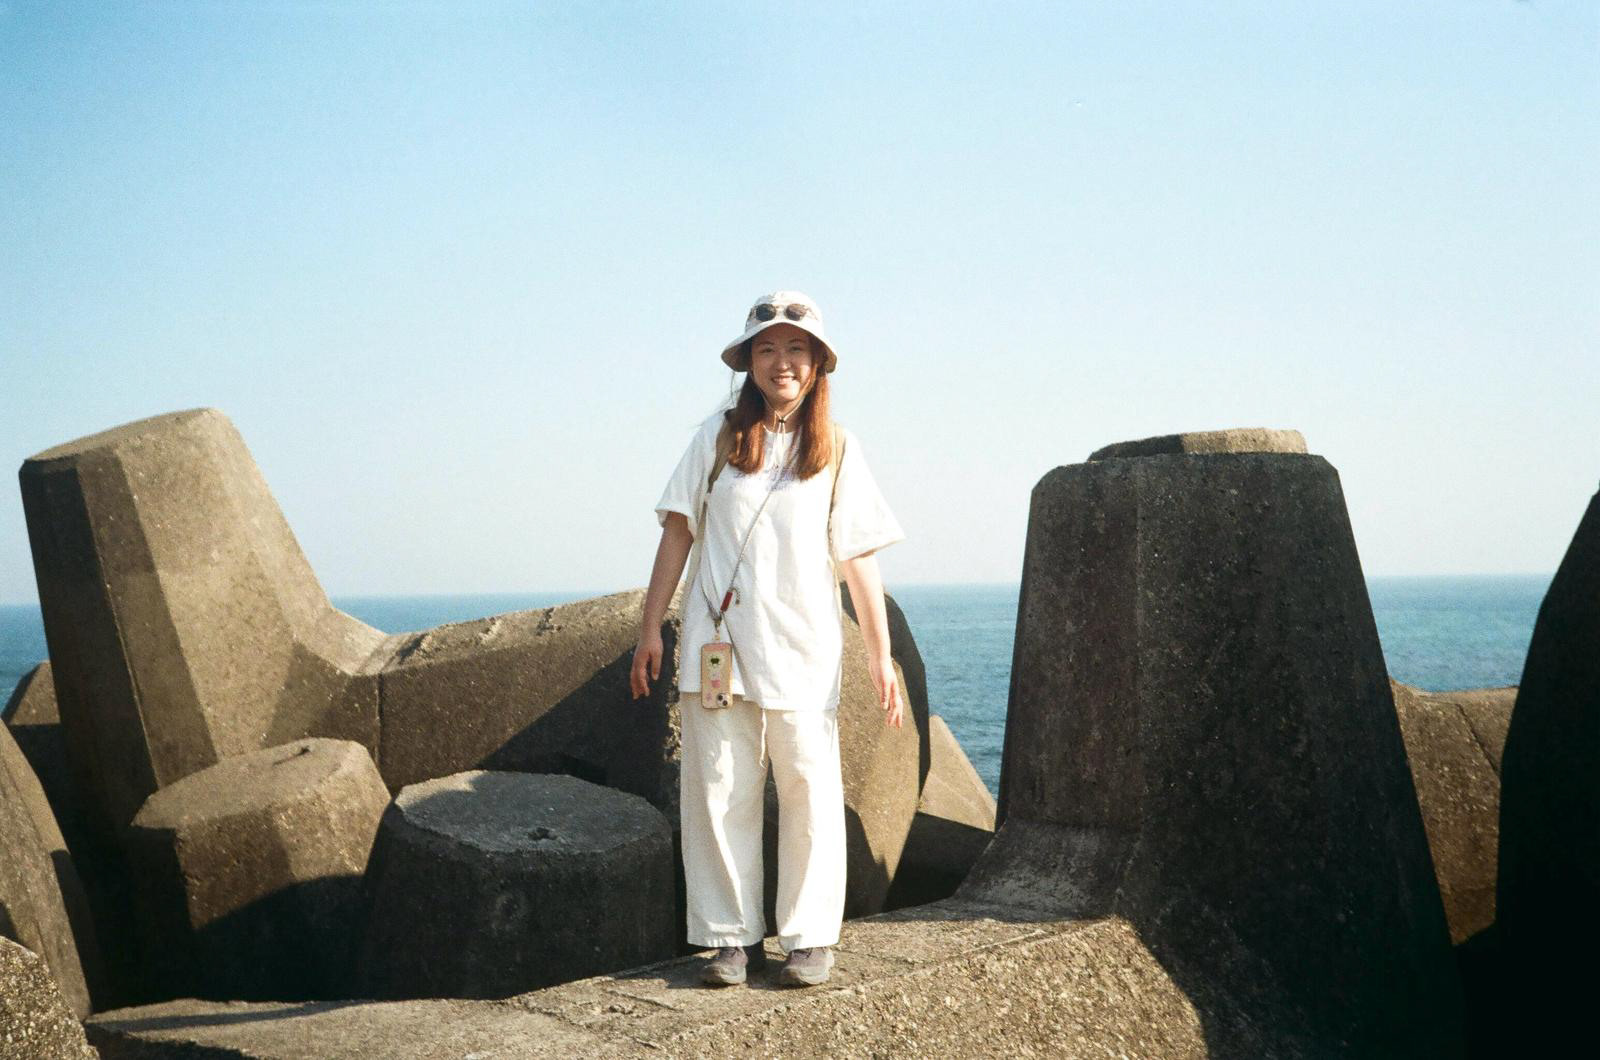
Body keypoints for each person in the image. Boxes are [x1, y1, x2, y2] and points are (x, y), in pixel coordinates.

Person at [630, 290, 906, 988]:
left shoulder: (838, 448)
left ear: (818, 363)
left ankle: (809, 937)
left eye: (796, 348)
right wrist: (650, 628)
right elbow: (678, 531)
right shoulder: (717, 438)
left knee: (809, 786)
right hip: (718, 645)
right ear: (749, 361)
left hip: (804, 648)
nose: (782, 362)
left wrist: (881, 655)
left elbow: (859, 558)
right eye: (767, 348)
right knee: (720, 787)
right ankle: (730, 939)